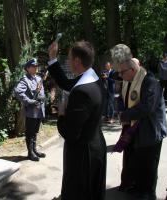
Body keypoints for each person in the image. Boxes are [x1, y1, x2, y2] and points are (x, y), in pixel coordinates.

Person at [48, 41, 106, 200]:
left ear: (77, 61)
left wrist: (61, 114)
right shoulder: (93, 78)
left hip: (83, 155)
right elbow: (67, 84)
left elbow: (70, 132)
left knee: (79, 192)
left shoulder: (81, 91)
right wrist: (52, 59)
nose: (68, 61)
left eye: (69, 58)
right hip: (95, 144)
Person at [113, 45, 167, 200]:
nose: (120, 75)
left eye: (122, 72)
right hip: (136, 130)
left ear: (132, 70)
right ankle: (138, 188)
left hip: (151, 130)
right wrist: (121, 109)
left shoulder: (150, 81)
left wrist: (124, 115)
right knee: (138, 162)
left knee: (149, 164)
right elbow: (121, 98)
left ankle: (149, 193)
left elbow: (147, 107)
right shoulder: (129, 80)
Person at [14, 58, 46, 161]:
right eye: (34, 66)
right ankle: (30, 152)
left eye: (37, 66)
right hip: (32, 111)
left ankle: (35, 150)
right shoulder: (25, 79)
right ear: (28, 68)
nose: (36, 67)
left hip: (40, 109)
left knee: (35, 131)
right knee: (30, 132)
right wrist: (29, 101)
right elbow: (18, 92)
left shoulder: (38, 78)